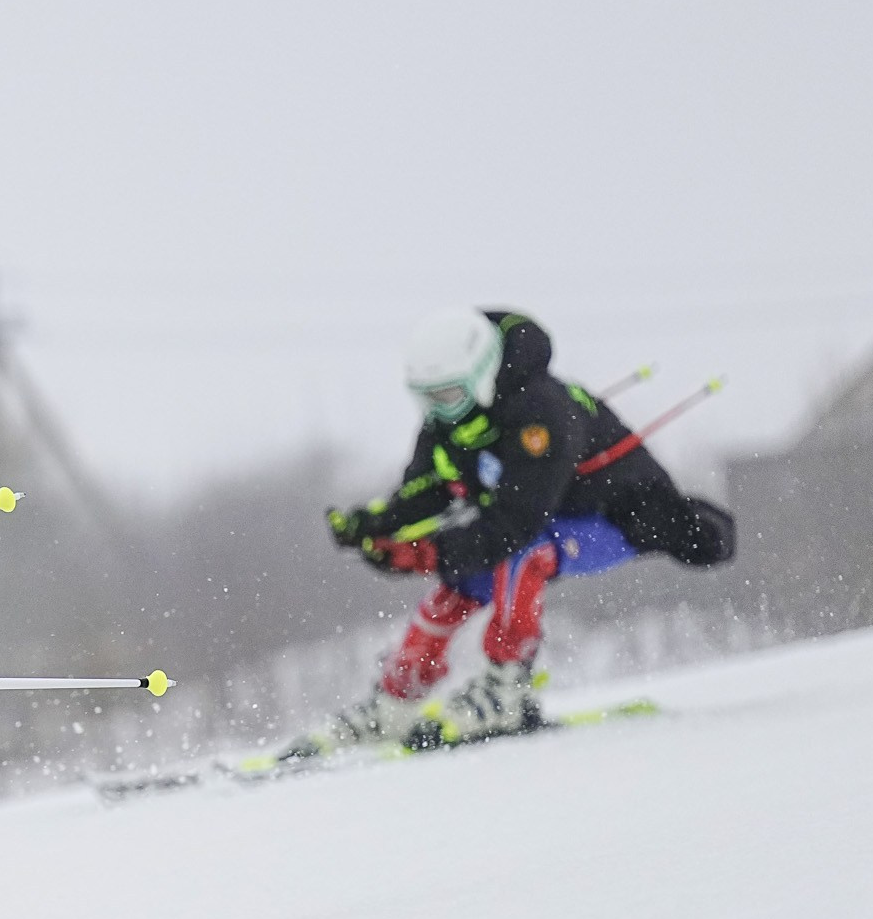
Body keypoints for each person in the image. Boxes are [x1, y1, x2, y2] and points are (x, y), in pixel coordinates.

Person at [302, 307, 734, 753]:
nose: (438, 409)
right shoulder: (448, 421)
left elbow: (513, 525)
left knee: (524, 555)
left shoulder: (540, 413)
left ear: (482, 376)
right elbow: (427, 490)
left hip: (621, 518)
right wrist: (374, 527)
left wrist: (428, 552)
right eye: (426, 398)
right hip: (544, 519)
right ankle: (395, 703)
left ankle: (507, 690)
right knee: (458, 585)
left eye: (448, 394)